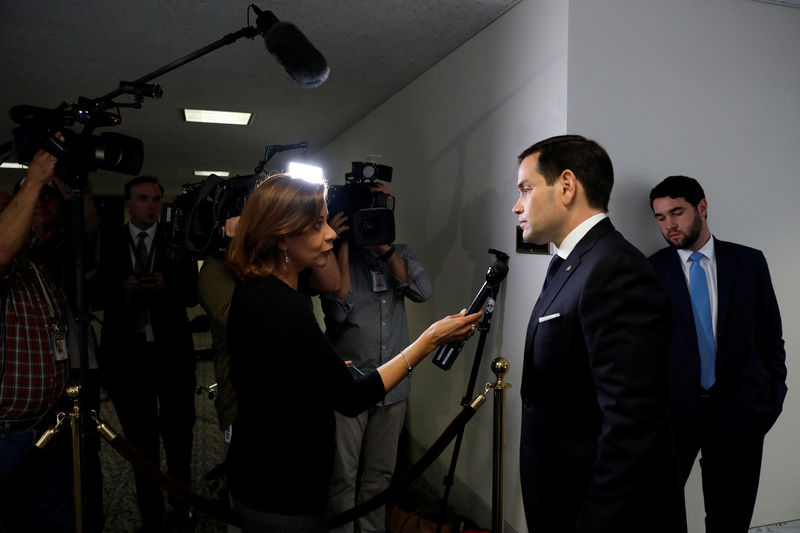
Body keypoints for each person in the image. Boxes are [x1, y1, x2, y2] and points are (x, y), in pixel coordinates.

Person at [224, 174, 480, 533]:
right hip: (281, 485)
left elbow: (282, 368)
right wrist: (429, 340)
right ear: (282, 236)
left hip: (260, 470)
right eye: (317, 225)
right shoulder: (280, 303)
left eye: (328, 221)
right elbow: (351, 397)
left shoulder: (259, 290)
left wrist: (325, 366)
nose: (330, 233)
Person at [512, 135, 686, 533]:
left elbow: (632, 423)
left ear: (567, 186)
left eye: (525, 189)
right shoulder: (573, 263)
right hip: (561, 496)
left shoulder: (614, 269)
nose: (517, 206)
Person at [648, 175, 786, 532]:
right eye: (661, 217)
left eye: (676, 213)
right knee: (656, 512)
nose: (669, 225)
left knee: (731, 519)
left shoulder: (749, 263)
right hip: (674, 416)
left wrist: (770, 398)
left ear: (702, 208)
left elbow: (771, 336)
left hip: (738, 413)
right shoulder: (649, 271)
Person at [198, 213, 343, 533]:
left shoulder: (284, 263)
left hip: (299, 405)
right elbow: (247, 319)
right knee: (254, 504)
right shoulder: (218, 266)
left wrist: (322, 245)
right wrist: (237, 245)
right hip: (245, 406)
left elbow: (333, 284)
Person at [323, 186, 432, 533]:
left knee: (381, 474)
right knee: (343, 475)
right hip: (350, 387)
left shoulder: (397, 253)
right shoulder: (330, 258)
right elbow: (339, 312)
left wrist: (382, 248)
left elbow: (421, 291)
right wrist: (340, 245)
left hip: (392, 387)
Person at [98, 175, 199, 532]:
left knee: (179, 435)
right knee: (140, 442)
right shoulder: (107, 241)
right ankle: (151, 515)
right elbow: (92, 290)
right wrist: (120, 289)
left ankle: (182, 507)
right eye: (143, 198)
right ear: (128, 203)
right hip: (128, 356)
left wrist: (166, 287)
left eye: (156, 198)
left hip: (172, 353)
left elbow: (192, 294)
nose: (152, 205)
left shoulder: (177, 241)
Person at [0, 147, 74, 532]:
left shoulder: (34, 262)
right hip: (6, 433)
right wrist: (33, 180)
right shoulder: (6, 259)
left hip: (46, 424)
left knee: (49, 518)